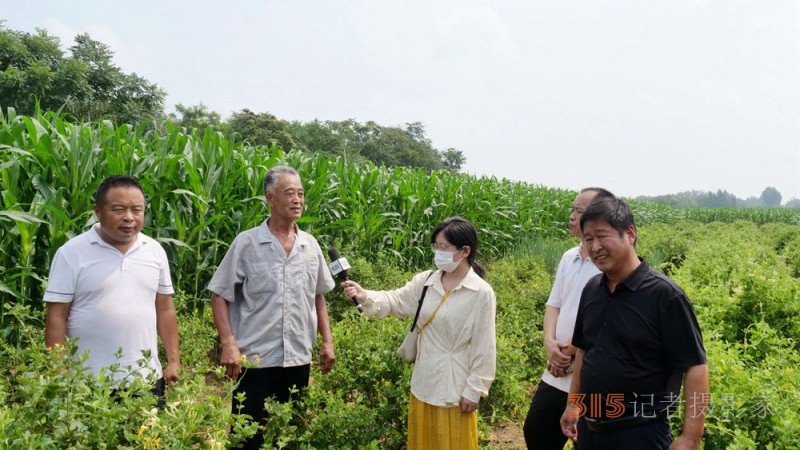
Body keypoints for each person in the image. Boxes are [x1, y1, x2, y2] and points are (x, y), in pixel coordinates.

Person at [560, 197, 709, 450]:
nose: (595, 247)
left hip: (640, 433)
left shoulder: (665, 295)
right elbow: (585, 351)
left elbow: (695, 367)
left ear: (630, 234)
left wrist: (691, 437)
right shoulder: (592, 289)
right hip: (590, 431)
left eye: (602, 236)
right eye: (588, 239)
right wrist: (573, 405)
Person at [208, 166, 336, 450]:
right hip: (255, 361)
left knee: (290, 435)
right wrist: (228, 343)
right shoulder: (248, 243)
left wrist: (327, 341)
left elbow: (318, 297)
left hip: (298, 358)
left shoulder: (310, 245)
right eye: (289, 193)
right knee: (248, 437)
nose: (297, 200)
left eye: (301, 194)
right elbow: (219, 295)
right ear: (270, 198)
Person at [341, 216, 496, 450]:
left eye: (444, 247)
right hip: (424, 379)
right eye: (436, 246)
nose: (438, 252)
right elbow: (396, 300)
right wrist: (365, 295)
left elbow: (485, 345)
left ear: (465, 251)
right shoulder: (426, 281)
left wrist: (474, 390)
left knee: (452, 442)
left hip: (455, 386)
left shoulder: (480, 292)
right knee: (424, 441)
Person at [43, 175, 180, 401]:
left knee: (149, 437)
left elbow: (165, 309)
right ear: (98, 211)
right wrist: (58, 371)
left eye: (137, 210)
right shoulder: (72, 252)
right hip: (86, 382)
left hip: (145, 379)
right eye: (118, 209)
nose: (129, 217)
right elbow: (56, 316)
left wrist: (174, 360)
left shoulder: (154, 251)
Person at [523, 187, 614, 449]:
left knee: (586, 438)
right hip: (556, 368)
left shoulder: (606, 263)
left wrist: (573, 350)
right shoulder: (568, 257)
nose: (572, 216)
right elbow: (554, 304)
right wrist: (550, 345)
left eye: (579, 211)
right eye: (572, 209)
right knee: (537, 431)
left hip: (587, 370)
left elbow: (607, 318)